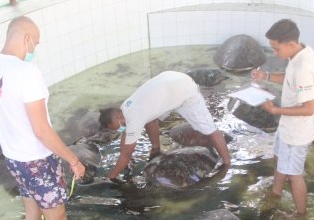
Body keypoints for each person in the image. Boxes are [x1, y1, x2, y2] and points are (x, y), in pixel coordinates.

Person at [0, 16, 98, 220]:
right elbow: (42, 130)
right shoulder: (27, 73)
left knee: (32, 212)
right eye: (35, 42)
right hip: (36, 160)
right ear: (26, 38)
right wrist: (73, 159)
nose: (35, 48)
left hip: (14, 158)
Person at [99, 71, 231, 181]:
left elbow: (127, 153)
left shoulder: (134, 117)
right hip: (170, 81)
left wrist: (111, 177)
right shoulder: (125, 108)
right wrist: (152, 149)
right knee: (150, 119)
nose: (120, 130)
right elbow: (130, 133)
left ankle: (226, 165)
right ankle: (156, 148)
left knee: (210, 130)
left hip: (184, 90)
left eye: (116, 127)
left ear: (118, 118)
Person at [250, 19, 314, 217]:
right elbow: (290, 79)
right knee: (279, 158)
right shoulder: (301, 52)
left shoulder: (303, 68)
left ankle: (300, 215)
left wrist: (275, 110)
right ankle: (276, 192)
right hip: (288, 126)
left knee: (295, 175)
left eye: (276, 48)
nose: (274, 53)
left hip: (297, 132)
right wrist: (266, 76)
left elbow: (308, 108)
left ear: (290, 44)